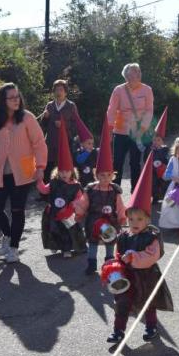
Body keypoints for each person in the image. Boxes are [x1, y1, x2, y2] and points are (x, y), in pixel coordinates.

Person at [105, 152, 174, 344]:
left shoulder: (151, 236)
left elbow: (152, 256)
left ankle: (151, 327)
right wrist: (117, 262)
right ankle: (118, 331)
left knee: (148, 304)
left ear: (148, 220)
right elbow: (119, 252)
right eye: (131, 218)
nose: (134, 222)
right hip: (127, 275)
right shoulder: (125, 235)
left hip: (146, 277)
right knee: (122, 304)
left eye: (139, 219)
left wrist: (134, 256)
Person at [0, 83, 47, 264]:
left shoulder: (27, 118)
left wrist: (40, 167)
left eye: (17, 96)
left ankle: (14, 247)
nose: (16, 100)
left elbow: (39, 143)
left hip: (22, 174)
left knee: (17, 211)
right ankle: (7, 234)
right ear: (2, 101)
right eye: (12, 98)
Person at [76, 118, 126, 275]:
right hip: (93, 220)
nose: (104, 178)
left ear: (112, 176)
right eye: (101, 175)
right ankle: (91, 264)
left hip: (110, 220)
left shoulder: (115, 190)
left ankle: (109, 263)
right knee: (93, 242)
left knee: (110, 241)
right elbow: (84, 203)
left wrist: (122, 217)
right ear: (95, 175)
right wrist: (79, 213)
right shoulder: (90, 189)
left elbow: (119, 206)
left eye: (108, 175)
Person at [37, 124, 86, 258]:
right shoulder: (53, 183)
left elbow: (79, 198)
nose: (64, 174)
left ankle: (69, 249)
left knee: (70, 230)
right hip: (54, 212)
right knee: (55, 230)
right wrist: (39, 181)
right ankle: (57, 246)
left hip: (69, 212)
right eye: (62, 171)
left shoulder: (76, 186)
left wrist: (73, 205)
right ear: (57, 172)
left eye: (67, 171)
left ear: (72, 172)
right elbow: (44, 190)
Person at [106, 63, 154, 192]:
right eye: (134, 72)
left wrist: (143, 128)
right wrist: (109, 129)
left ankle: (136, 192)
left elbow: (149, 111)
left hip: (138, 132)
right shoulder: (118, 90)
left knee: (135, 163)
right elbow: (111, 110)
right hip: (120, 131)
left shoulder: (147, 89)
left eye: (139, 71)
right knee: (117, 162)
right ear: (127, 75)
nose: (138, 74)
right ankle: (114, 192)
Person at [40, 80, 79, 180]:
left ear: (65, 92)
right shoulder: (50, 105)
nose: (58, 92)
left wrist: (64, 125)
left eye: (61, 90)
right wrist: (45, 117)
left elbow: (76, 125)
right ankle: (46, 193)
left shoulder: (71, 106)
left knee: (64, 169)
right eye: (56, 90)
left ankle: (65, 192)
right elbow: (42, 126)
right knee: (48, 169)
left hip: (65, 143)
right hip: (50, 143)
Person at [149, 108, 170, 202]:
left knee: (163, 183)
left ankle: (165, 197)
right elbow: (147, 159)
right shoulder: (150, 150)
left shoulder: (165, 150)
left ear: (162, 141)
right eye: (154, 140)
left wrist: (164, 165)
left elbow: (168, 160)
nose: (156, 142)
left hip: (163, 170)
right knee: (153, 184)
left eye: (158, 140)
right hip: (153, 171)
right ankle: (155, 197)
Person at [74, 116, 97, 188]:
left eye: (92, 143)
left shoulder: (94, 152)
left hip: (92, 178)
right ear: (81, 144)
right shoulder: (79, 152)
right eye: (89, 143)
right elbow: (79, 160)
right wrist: (87, 153)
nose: (91, 145)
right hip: (81, 179)